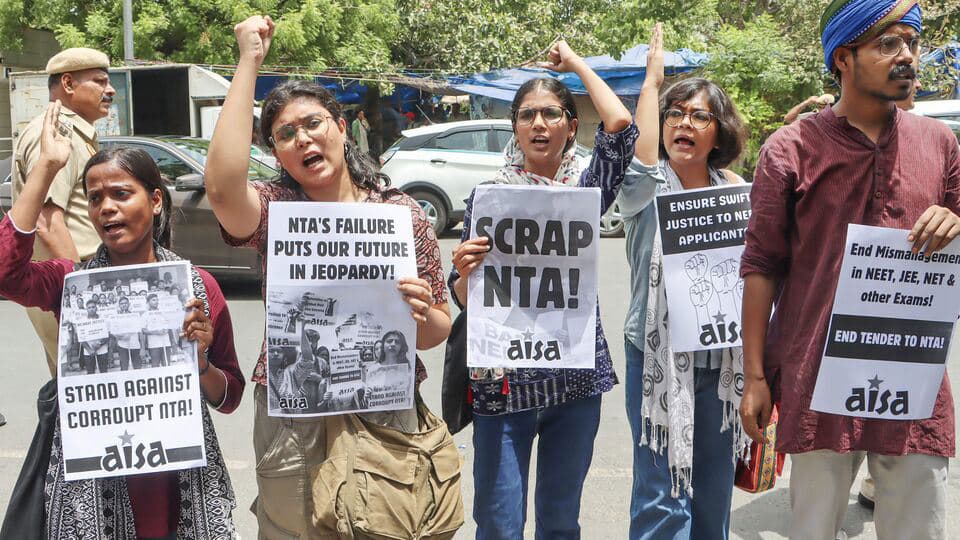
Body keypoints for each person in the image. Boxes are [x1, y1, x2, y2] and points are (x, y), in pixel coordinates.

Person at [204, 15, 452, 537]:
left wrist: (421, 310)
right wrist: (248, 63)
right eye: (285, 135)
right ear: (275, 153)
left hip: (386, 407)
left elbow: (435, 332)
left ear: (341, 128)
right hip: (294, 415)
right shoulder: (274, 212)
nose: (302, 138)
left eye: (312, 123)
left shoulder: (401, 214)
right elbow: (224, 189)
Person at [739, 2, 957, 539]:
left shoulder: (941, 144)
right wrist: (755, 377)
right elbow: (762, 265)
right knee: (815, 529)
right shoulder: (789, 149)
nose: (906, 55)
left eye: (911, 41)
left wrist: (955, 218)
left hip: (915, 383)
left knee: (919, 529)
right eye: (887, 43)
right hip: (816, 382)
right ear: (843, 58)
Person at [0, 101, 245, 537]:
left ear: (154, 201)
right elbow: (5, 273)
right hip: (89, 494)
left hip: (177, 488)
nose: (106, 208)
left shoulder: (198, 287)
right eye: (95, 199)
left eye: (121, 194)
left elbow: (229, 397)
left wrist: (201, 364)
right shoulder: (71, 284)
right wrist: (46, 168)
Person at [448, 40, 636, 538]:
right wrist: (464, 272)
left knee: (559, 522)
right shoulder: (486, 199)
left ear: (571, 127)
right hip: (502, 383)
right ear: (514, 127)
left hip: (573, 383)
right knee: (498, 521)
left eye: (551, 113)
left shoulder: (586, 194)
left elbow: (621, 129)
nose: (538, 123)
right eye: (527, 114)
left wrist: (575, 64)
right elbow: (468, 301)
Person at [596, 23, 750, 540]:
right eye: (675, 114)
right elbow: (638, 146)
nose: (684, 123)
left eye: (698, 116)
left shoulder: (737, 191)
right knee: (662, 495)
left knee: (713, 489)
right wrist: (652, 82)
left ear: (718, 130)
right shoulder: (646, 186)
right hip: (658, 358)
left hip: (721, 360)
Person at [11, 47, 115, 377]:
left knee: (75, 389)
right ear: (68, 84)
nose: (109, 90)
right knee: (88, 383)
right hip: (69, 286)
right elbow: (46, 220)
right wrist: (87, 293)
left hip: (71, 282)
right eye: (99, 81)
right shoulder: (58, 134)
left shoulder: (76, 131)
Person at [110, 295, 143, 370]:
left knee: (137, 367)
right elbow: (113, 332)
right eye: (121, 303)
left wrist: (142, 347)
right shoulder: (116, 317)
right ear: (119, 305)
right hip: (122, 345)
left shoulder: (135, 316)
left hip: (135, 345)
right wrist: (121, 337)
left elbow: (140, 332)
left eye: (125, 303)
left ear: (129, 304)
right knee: (124, 367)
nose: (124, 305)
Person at [141, 292, 172, 367]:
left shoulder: (163, 313)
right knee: (155, 365)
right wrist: (156, 332)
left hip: (166, 343)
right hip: (154, 345)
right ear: (148, 302)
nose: (156, 302)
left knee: (167, 365)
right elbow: (143, 330)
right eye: (153, 300)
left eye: (157, 300)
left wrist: (167, 329)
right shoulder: (145, 315)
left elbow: (169, 325)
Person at [79, 298, 110, 373]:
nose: (91, 309)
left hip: (102, 349)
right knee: (90, 372)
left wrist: (99, 344)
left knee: (104, 371)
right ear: (86, 309)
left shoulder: (103, 319)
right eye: (89, 307)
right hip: (88, 351)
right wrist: (89, 349)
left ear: (96, 308)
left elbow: (108, 335)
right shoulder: (82, 321)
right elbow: (81, 338)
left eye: (93, 307)